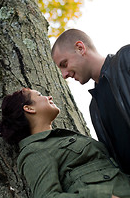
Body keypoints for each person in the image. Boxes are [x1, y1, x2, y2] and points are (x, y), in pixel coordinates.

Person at [0, 87, 130, 198]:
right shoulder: (34, 151)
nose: (49, 96)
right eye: (39, 95)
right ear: (29, 108)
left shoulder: (58, 139)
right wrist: (102, 196)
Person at [51, 28, 130, 175]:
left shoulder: (126, 57)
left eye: (64, 64)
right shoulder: (94, 109)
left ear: (80, 48)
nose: (64, 75)